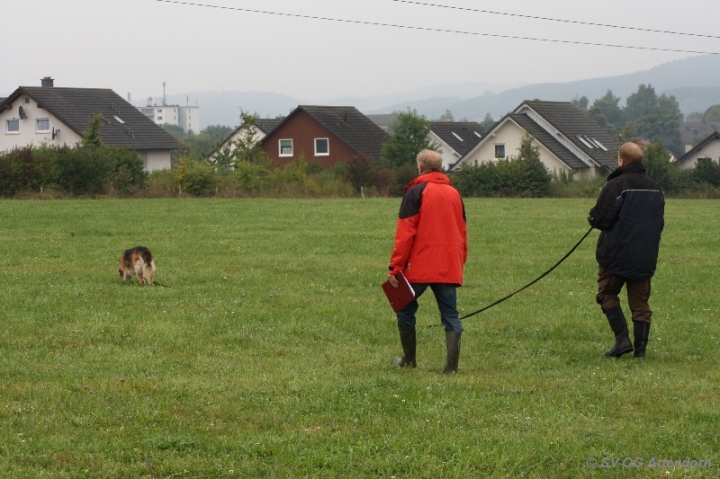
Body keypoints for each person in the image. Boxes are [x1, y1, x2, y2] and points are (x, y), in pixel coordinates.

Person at [387, 149, 468, 373]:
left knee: (403, 307)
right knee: (450, 315)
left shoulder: (415, 191)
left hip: (418, 266)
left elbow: (405, 234)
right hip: (448, 264)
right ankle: (451, 368)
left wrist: (395, 267)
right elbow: (463, 232)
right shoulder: (454, 193)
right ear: (439, 168)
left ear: (420, 168)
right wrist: (460, 261)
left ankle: (409, 359)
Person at [588, 142, 664, 359]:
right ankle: (640, 352)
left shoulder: (616, 185)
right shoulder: (655, 187)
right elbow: (659, 222)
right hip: (644, 255)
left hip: (616, 255)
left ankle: (622, 340)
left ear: (621, 160)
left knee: (607, 293)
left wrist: (592, 218)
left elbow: (599, 218)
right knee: (640, 302)